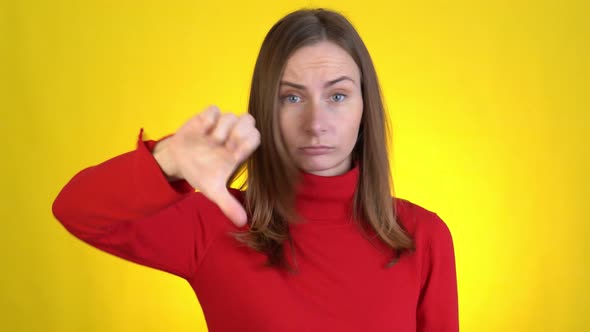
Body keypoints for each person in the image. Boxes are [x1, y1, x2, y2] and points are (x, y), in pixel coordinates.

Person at [52, 8, 459, 332]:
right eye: (292, 98)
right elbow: (76, 210)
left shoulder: (423, 236)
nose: (317, 122)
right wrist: (171, 158)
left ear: (364, 106)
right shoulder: (215, 223)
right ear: (265, 108)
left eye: (337, 95)